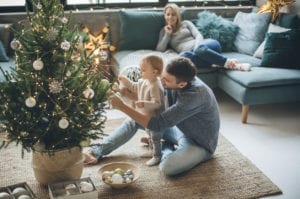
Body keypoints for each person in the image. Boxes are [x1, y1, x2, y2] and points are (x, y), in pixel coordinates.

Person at [85, 57, 220, 176]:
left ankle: (165, 146)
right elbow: (151, 100)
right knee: (134, 120)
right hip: (179, 130)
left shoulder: (195, 95)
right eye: (163, 76)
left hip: (199, 143)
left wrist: (122, 106)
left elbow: (157, 124)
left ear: (182, 84)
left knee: (167, 168)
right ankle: (97, 150)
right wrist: (126, 92)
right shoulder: (177, 76)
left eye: (166, 80)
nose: (161, 81)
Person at [156, 3, 251, 71]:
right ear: (165, 16)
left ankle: (228, 63)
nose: (170, 17)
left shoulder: (186, 23)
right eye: (168, 14)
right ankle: (219, 62)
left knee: (199, 50)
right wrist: (168, 34)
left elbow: (198, 35)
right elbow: (160, 49)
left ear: (177, 16)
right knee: (183, 57)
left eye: (173, 14)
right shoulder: (163, 31)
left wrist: (198, 47)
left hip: (207, 45)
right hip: (195, 55)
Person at [118, 55, 165, 166]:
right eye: (140, 69)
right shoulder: (144, 81)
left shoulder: (155, 86)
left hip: (156, 118)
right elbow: (134, 86)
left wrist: (144, 104)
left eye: (143, 70)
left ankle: (157, 156)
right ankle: (151, 148)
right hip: (146, 115)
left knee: (155, 136)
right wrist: (125, 80)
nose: (140, 72)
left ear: (154, 72)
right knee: (148, 132)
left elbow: (157, 104)